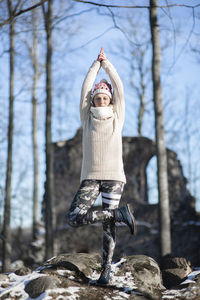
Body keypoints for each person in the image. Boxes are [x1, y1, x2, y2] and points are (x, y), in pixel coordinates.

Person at [67, 48, 136, 285]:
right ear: (94, 99)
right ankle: (120, 214)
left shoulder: (117, 116)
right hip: (91, 177)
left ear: (110, 99)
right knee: (75, 216)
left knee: (108, 227)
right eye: (98, 97)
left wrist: (107, 64)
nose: (101, 100)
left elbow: (120, 87)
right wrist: (95, 66)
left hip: (114, 177)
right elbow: (86, 88)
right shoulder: (87, 117)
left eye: (105, 97)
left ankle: (105, 272)